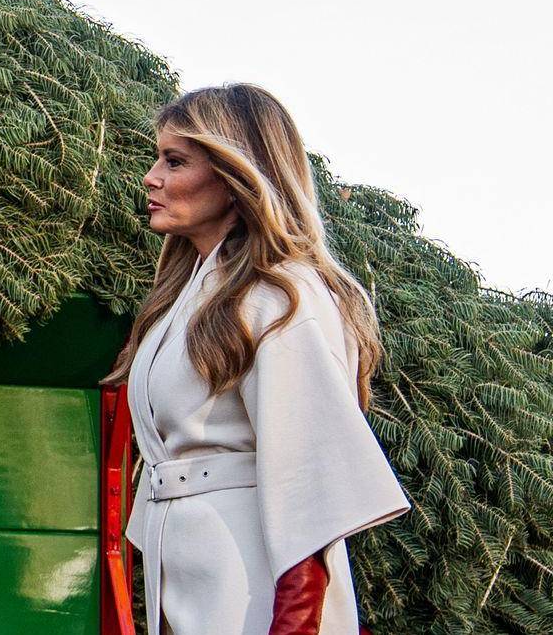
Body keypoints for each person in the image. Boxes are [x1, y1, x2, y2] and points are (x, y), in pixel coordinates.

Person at [106, 83, 409, 635]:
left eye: (175, 162)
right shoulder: (185, 300)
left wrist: (293, 626)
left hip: (253, 582)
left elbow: (312, 483)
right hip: (191, 575)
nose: (151, 178)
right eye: (158, 159)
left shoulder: (282, 293)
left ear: (235, 176)